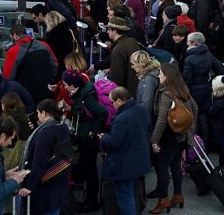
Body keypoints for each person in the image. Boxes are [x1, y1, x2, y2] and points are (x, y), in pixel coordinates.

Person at [149, 64, 198, 213]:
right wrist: (189, 128)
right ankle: (178, 196)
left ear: (167, 76)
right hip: (182, 135)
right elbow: (195, 107)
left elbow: (162, 120)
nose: (159, 76)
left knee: (163, 167)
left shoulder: (166, 93)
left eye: (161, 74)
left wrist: (154, 140)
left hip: (169, 136)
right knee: (176, 165)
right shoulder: (182, 89)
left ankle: (163, 200)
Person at [100, 87, 151, 215]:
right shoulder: (142, 110)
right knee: (130, 192)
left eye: (112, 102)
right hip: (139, 158)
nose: (111, 105)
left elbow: (115, 142)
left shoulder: (121, 118)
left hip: (124, 163)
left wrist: (104, 138)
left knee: (124, 194)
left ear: (119, 101)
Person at [63, 69, 107, 212]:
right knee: (87, 168)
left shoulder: (86, 97)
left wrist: (92, 130)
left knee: (90, 171)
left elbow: (102, 112)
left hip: (88, 139)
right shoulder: (80, 92)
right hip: (84, 135)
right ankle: (89, 198)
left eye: (65, 84)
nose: (64, 87)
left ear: (72, 84)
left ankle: (92, 201)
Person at [17, 99, 72, 215]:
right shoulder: (62, 127)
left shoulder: (44, 133)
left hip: (44, 189)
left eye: (38, 113)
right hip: (59, 182)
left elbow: (39, 161)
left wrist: (29, 186)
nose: (37, 116)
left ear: (44, 113)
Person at [183, 31, 224, 143]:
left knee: (193, 117)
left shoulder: (189, 59)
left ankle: (195, 143)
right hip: (206, 89)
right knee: (203, 116)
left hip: (193, 91)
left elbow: (186, 79)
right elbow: (221, 69)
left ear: (193, 43)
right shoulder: (209, 55)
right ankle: (205, 142)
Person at [2, 24, 58, 104]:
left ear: (15, 35)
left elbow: (8, 77)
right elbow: (55, 66)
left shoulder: (13, 51)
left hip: (26, 95)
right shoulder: (44, 45)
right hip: (47, 91)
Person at [106, 17, 141, 96]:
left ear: (114, 31)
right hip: (136, 89)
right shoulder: (132, 42)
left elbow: (117, 78)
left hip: (125, 94)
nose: (107, 31)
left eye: (108, 29)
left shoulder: (118, 49)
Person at [130, 50, 161, 115]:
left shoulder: (149, 79)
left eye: (133, 64)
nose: (132, 67)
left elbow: (146, 103)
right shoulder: (153, 73)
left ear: (140, 64)